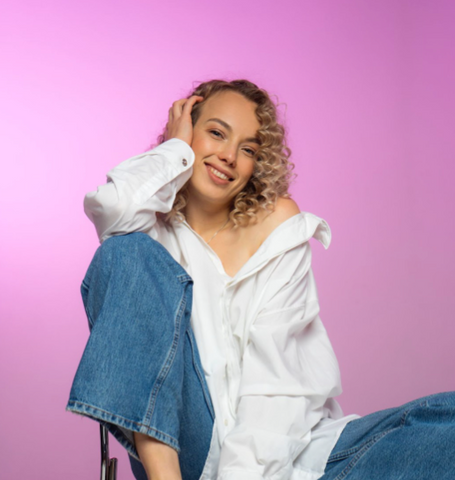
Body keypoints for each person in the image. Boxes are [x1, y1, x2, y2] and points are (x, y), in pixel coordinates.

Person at [67, 79, 455, 480]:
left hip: (305, 454)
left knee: (448, 422)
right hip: (192, 454)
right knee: (123, 251)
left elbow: (277, 385)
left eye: (248, 149)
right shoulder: (151, 231)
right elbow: (111, 207)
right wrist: (176, 149)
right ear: (185, 134)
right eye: (216, 133)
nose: (229, 156)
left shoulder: (277, 223)